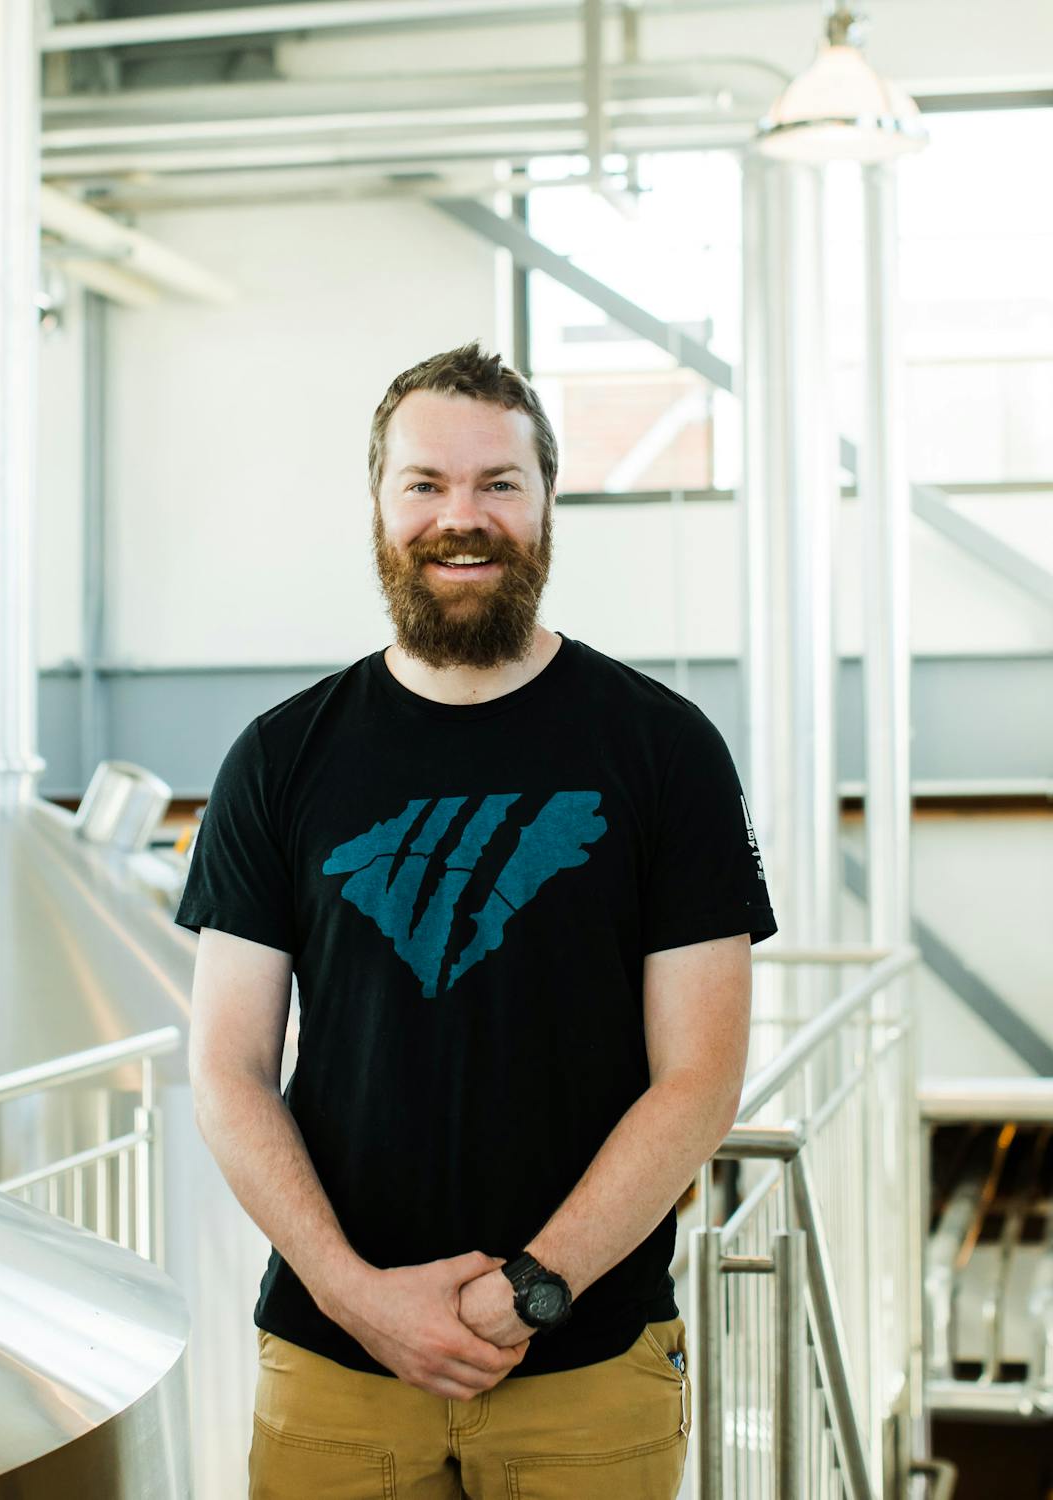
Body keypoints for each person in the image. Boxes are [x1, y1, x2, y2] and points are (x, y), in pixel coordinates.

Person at [176, 341, 778, 1500]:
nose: (464, 516)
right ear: (379, 504)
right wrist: (360, 1298)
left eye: (499, 483)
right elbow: (229, 1070)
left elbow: (699, 1076)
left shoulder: (664, 749)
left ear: (549, 503)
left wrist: (529, 1292)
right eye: (427, 484)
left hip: (587, 1364)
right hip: (333, 1367)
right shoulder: (279, 757)